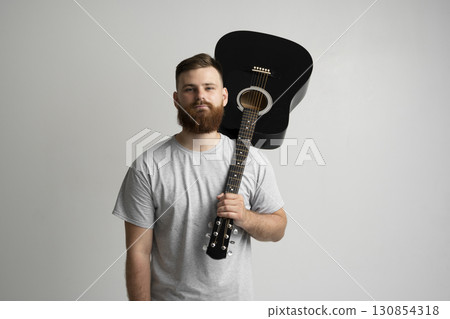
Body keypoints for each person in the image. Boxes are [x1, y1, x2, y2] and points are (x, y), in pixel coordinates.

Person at [112, 53, 287, 300]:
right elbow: (138, 251)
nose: (200, 96)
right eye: (190, 89)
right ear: (176, 99)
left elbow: (278, 228)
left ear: (224, 96)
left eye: (209, 88)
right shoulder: (148, 166)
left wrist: (245, 217)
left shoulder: (254, 161)